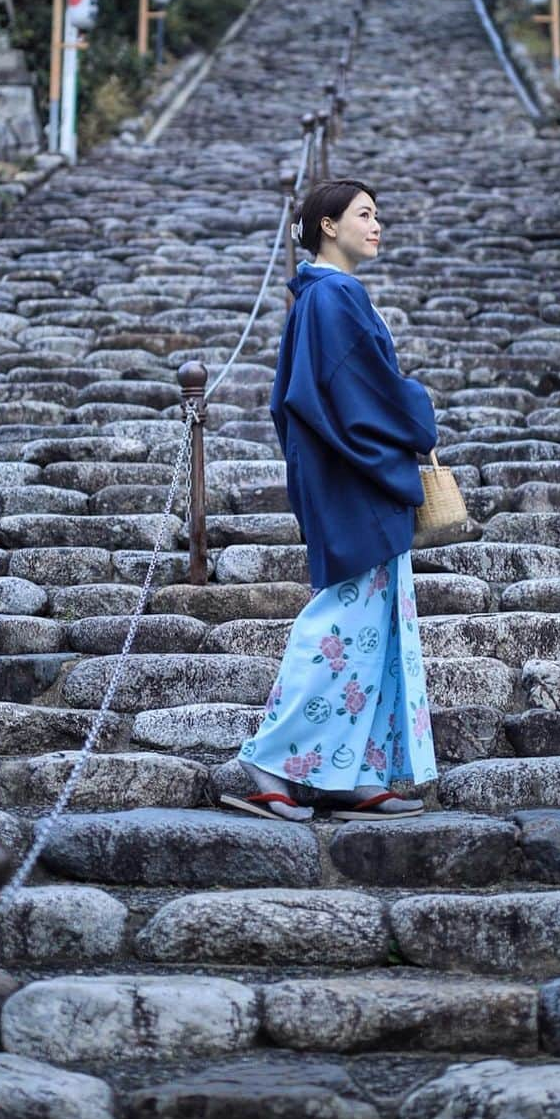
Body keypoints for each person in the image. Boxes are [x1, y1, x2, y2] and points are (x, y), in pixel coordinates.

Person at [221, 179, 439, 823]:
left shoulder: (320, 297)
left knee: (371, 625)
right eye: (364, 214)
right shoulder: (335, 296)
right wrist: (418, 411)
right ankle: (269, 760)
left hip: (342, 475)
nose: (377, 225)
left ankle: (353, 771)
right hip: (353, 480)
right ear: (326, 225)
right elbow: (361, 392)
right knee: (342, 622)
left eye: (378, 213)